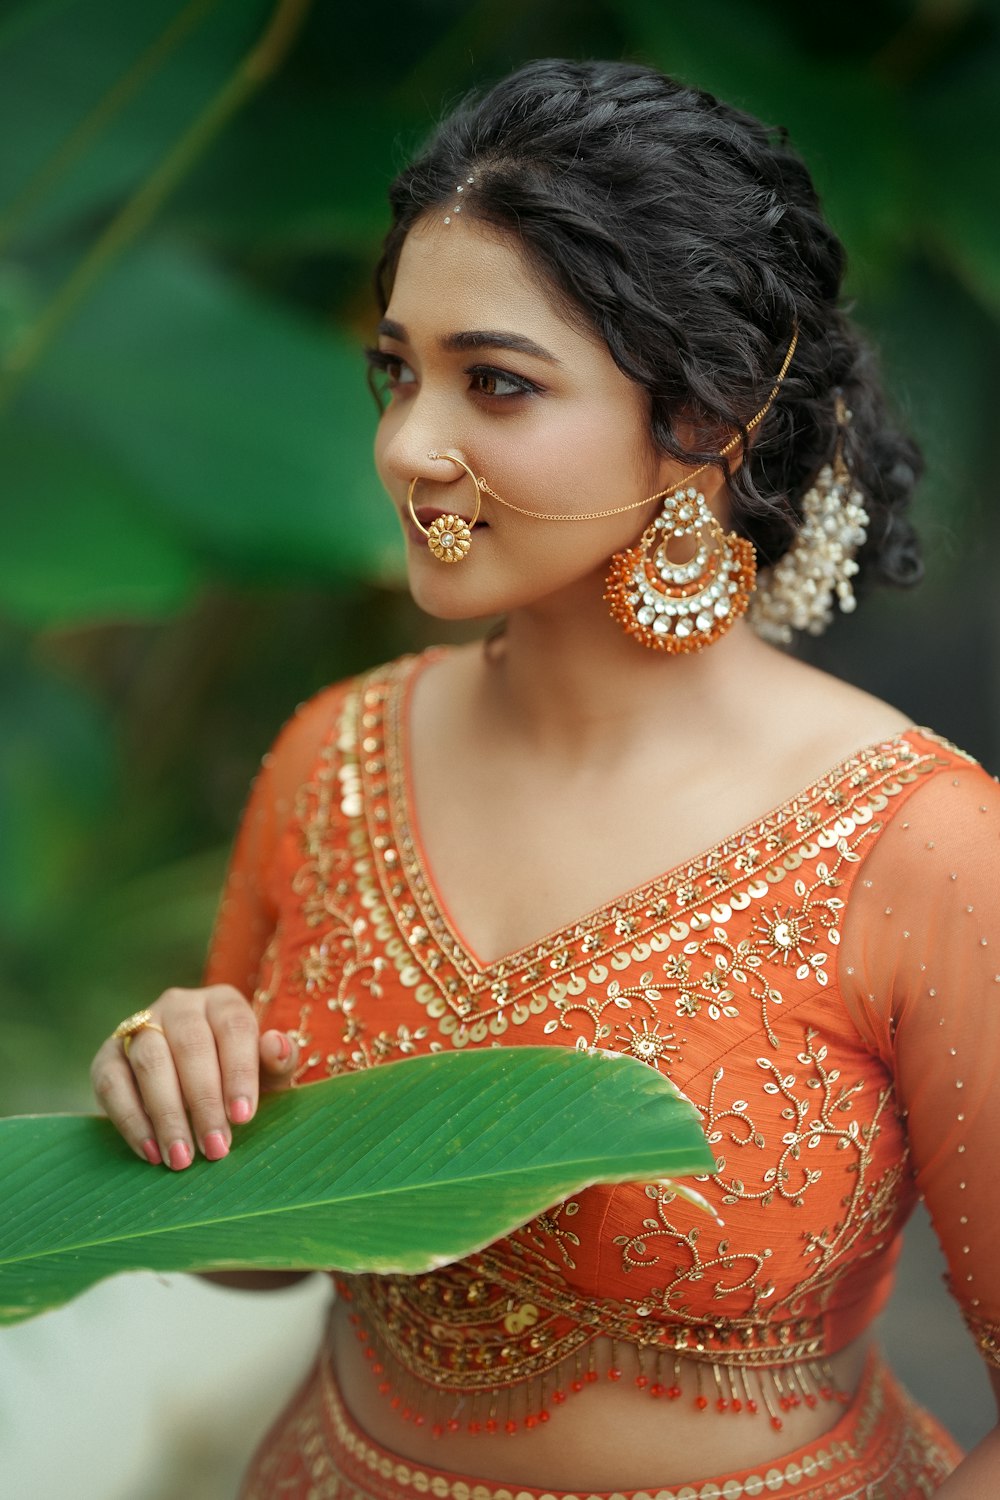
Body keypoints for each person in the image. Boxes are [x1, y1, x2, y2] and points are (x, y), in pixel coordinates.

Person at [90, 59, 1000, 1500]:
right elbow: (267, 1259)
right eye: (397, 370)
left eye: (494, 384)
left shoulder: (923, 846)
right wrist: (181, 1099)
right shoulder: (334, 757)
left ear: (704, 420)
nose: (405, 447)